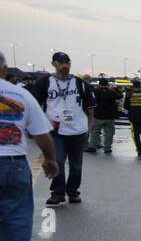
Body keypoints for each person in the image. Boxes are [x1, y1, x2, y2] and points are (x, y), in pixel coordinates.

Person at [0, 52, 59, 241]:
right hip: (13, 163)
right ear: (5, 71)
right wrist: (51, 160)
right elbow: (42, 134)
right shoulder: (20, 94)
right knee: (17, 212)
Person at [28, 52, 94, 205]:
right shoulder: (44, 82)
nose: (65, 65)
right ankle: (58, 193)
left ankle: (73, 192)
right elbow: (34, 106)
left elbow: (90, 107)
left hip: (78, 130)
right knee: (57, 160)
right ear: (54, 64)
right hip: (55, 131)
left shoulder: (81, 83)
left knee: (76, 164)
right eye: (60, 62)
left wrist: (87, 126)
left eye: (67, 62)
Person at [88, 79, 119, 154]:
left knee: (95, 132)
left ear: (99, 84)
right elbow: (119, 96)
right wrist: (114, 89)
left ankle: (93, 146)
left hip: (97, 115)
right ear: (107, 84)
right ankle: (107, 148)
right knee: (109, 133)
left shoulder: (95, 91)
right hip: (109, 116)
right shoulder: (111, 92)